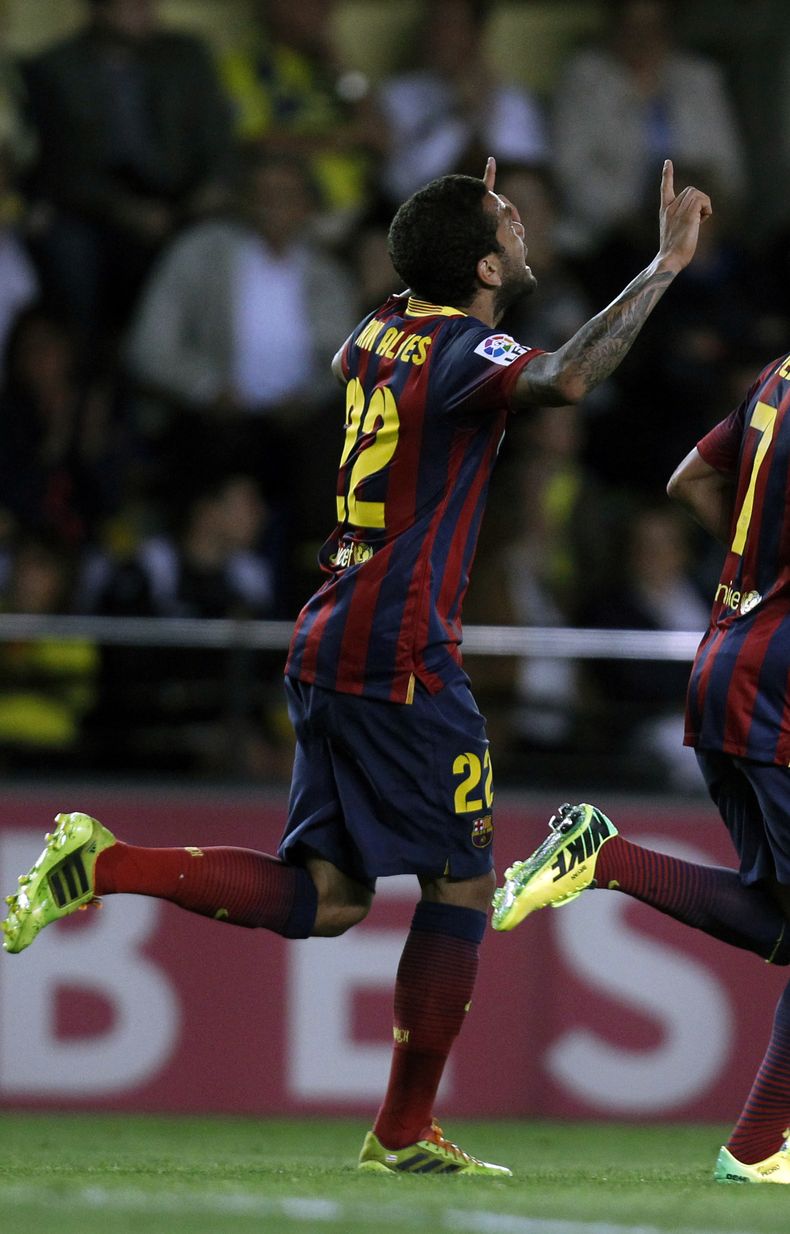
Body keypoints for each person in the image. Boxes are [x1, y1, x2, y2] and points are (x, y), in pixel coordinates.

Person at [1, 156, 711, 1175]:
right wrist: (660, 267)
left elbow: (384, 325)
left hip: (332, 632)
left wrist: (451, 236)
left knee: (329, 895)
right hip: (403, 651)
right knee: (461, 885)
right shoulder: (464, 349)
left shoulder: (376, 328)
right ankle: (403, 1129)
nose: (520, 229)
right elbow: (568, 377)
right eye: (506, 222)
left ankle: (100, 861)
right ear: (479, 263)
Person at [492, 346, 790, 1183]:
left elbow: (690, 480)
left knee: (781, 917)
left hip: (724, 659)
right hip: (778, 689)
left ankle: (606, 857)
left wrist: (763, 572)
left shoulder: (774, 376)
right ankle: (758, 1147)